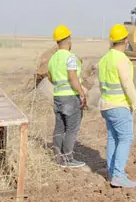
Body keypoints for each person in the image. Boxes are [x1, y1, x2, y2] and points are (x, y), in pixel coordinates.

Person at [98, 24, 136, 188]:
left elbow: (101, 85)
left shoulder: (104, 59)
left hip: (106, 105)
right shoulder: (121, 59)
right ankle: (118, 175)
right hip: (119, 106)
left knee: (113, 138)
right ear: (125, 40)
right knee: (125, 138)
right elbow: (127, 84)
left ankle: (111, 173)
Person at [47, 25, 86, 168]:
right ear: (68, 40)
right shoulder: (70, 58)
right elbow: (73, 77)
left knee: (59, 127)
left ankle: (58, 158)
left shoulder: (52, 59)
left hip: (57, 96)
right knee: (71, 129)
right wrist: (82, 94)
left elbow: (50, 78)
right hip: (70, 97)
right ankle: (68, 159)